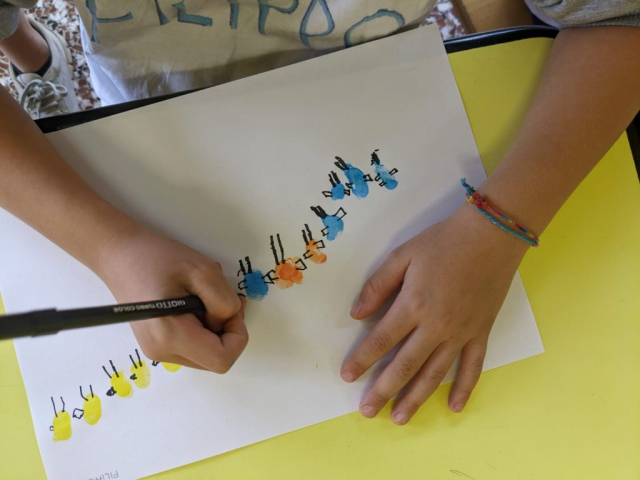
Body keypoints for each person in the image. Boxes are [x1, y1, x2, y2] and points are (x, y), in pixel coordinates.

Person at [0, 1, 638, 425]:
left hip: (390, 94)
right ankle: (39, 55)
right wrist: (108, 246)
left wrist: (503, 221)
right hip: (152, 119)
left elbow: (618, 17)